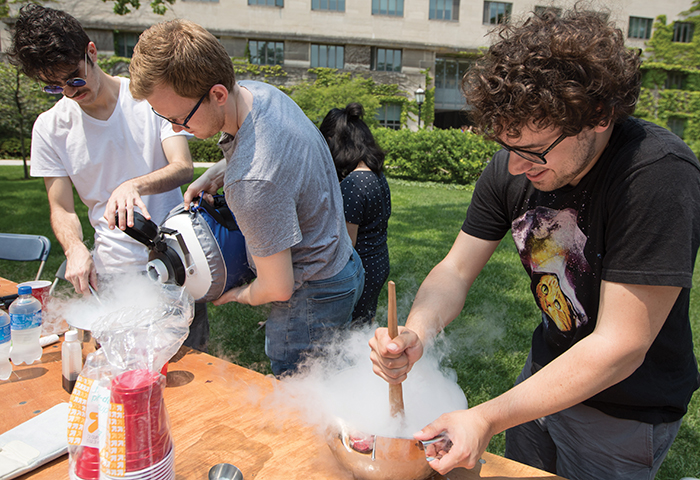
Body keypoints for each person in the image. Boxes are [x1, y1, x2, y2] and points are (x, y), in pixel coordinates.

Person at [369, 9, 700, 480]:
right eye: (510, 148)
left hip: (625, 410)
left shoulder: (656, 175)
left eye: (534, 152)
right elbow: (455, 270)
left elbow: (621, 345)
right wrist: (417, 332)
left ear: (599, 115)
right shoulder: (514, 164)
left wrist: (486, 417)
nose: (519, 168)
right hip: (542, 379)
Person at [128, 19, 364, 376]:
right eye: (164, 118)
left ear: (217, 94)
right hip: (341, 261)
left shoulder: (251, 183)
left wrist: (236, 294)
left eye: (180, 118)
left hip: (311, 297)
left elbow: (278, 286)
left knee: (301, 403)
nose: (177, 129)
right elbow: (266, 159)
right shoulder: (261, 95)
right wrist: (214, 173)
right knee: (331, 381)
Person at [8, 4, 209, 350]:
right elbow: (61, 208)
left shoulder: (149, 100)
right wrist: (73, 249)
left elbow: (182, 167)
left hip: (176, 261)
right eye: (54, 87)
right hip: (112, 272)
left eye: (74, 78)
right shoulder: (50, 128)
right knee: (120, 374)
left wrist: (134, 184)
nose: (70, 92)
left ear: (91, 52)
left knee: (189, 371)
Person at [320, 103, 391, 325]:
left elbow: (347, 245)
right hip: (379, 261)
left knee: (348, 330)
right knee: (363, 325)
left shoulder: (354, 183)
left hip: (361, 270)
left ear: (333, 140)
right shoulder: (374, 174)